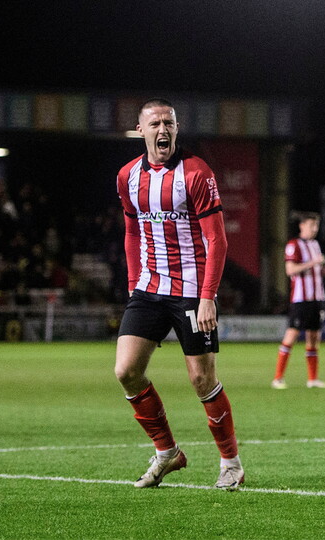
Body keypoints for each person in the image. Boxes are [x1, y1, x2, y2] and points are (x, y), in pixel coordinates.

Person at [114, 98, 243, 490]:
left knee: (202, 381)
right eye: (154, 124)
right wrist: (135, 280)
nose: (163, 130)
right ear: (141, 131)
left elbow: (216, 240)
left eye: (168, 123)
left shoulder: (196, 172)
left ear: (177, 127)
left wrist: (208, 296)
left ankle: (231, 463)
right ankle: (167, 452)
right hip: (149, 289)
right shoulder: (127, 177)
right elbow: (132, 232)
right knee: (126, 371)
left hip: (191, 291)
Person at [272, 211, 325, 389]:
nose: (314, 229)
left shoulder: (315, 245)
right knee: (292, 335)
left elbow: (318, 272)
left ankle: (312, 380)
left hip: (317, 298)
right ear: (302, 226)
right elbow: (290, 270)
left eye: (316, 226)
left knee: (314, 338)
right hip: (300, 299)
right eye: (311, 225)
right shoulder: (293, 245)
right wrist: (313, 262)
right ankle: (278, 378)